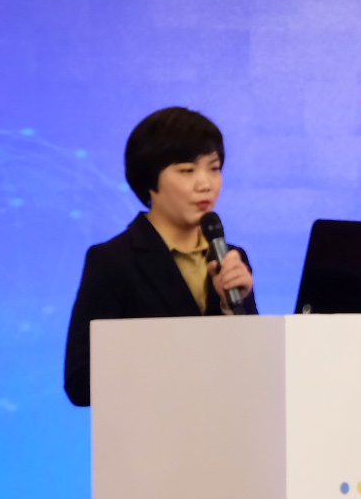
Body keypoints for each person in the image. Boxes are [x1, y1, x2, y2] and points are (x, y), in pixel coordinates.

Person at [63, 107, 256, 406]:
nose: (205, 184)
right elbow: (80, 382)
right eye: (187, 170)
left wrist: (231, 310)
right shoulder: (113, 260)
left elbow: (252, 370)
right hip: (151, 430)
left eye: (214, 168)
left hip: (225, 426)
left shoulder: (231, 257)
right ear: (150, 180)